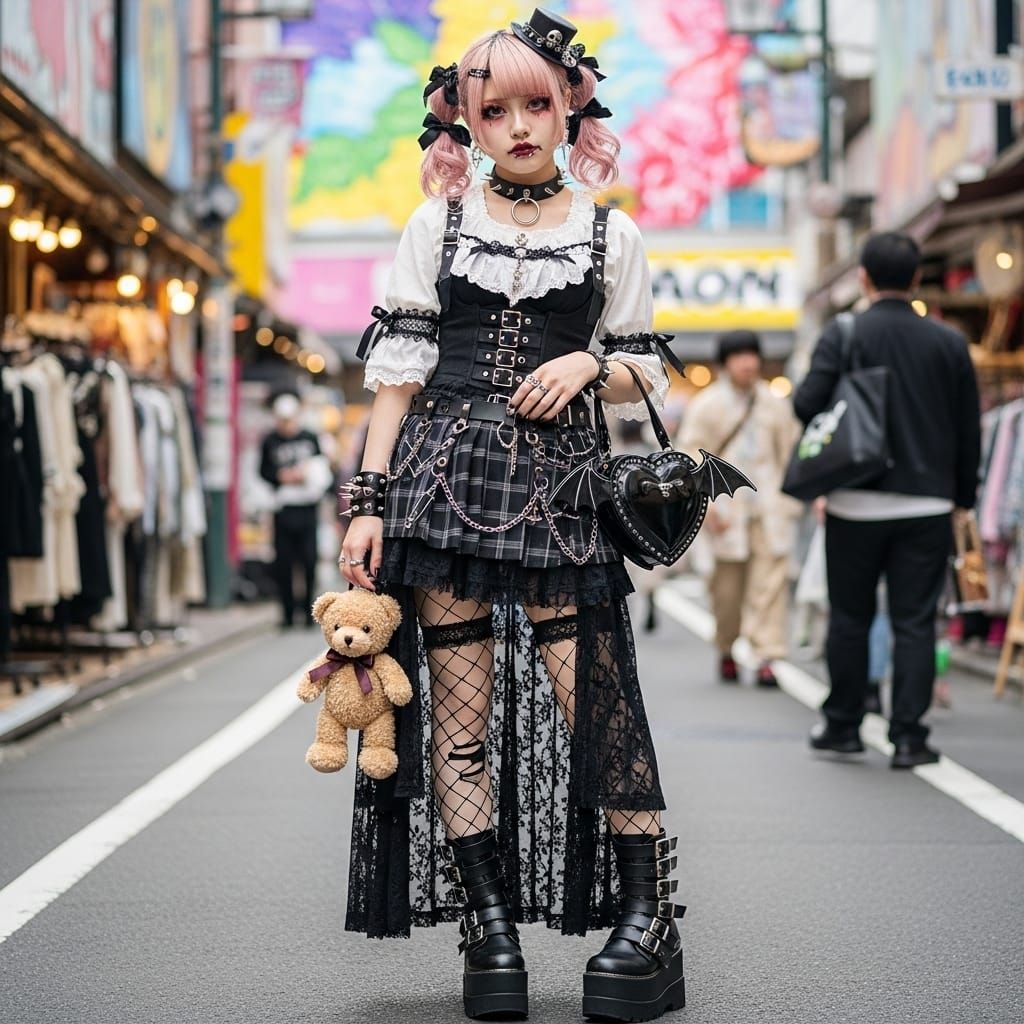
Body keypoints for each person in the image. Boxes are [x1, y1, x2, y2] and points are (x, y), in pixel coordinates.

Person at [337, 11, 685, 1021]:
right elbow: (395, 383)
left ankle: (644, 914)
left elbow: (644, 368)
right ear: (466, 123)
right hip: (441, 489)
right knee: (459, 719)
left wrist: (589, 362)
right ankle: (487, 929)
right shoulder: (434, 228)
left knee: (599, 708)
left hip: (562, 492)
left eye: (539, 103)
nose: (522, 124)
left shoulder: (609, 233)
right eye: (497, 110)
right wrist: (368, 506)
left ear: (571, 104)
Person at [793, 232, 981, 769]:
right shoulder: (948, 343)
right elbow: (969, 432)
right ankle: (909, 737)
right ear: (917, 278)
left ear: (864, 278)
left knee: (850, 616)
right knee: (915, 621)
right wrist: (961, 499)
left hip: (854, 499)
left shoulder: (844, 333)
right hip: (927, 504)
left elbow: (806, 404)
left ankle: (844, 726)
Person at [679, 330, 801, 687]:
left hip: (769, 509)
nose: (748, 363)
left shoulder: (775, 404)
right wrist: (704, 504)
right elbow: (690, 455)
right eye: (739, 356)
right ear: (725, 362)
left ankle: (767, 656)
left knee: (770, 586)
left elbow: (789, 452)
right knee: (725, 590)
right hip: (726, 512)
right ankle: (726, 647)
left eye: (752, 355)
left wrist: (791, 501)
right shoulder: (707, 405)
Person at [259, 393, 329, 628]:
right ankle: (287, 613)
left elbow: (323, 468)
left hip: (307, 507)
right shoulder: (269, 440)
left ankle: (309, 609)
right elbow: (263, 471)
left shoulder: (310, 437)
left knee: (309, 561)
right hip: (283, 508)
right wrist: (281, 477)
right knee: (284, 563)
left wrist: (307, 475)